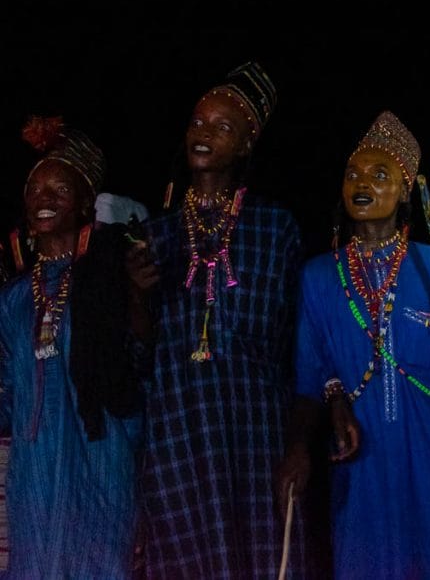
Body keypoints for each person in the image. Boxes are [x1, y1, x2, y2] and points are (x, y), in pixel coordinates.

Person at [276, 111, 430, 578]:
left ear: (406, 191)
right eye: (353, 174)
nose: (362, 183)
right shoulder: (321, 275)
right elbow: (311, 372)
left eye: (380, 175)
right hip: (359, 458)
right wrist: (328, 407)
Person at [137, 62, 308, 577]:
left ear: (246, 146)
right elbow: (139, 356)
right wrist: (138, 296)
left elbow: (298, 350)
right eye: (198, 122)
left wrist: (298, 447)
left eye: (223, 127)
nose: (204, 134)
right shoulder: (155, 236)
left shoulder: (275, 229)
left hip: (256, 438)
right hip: (176, 440)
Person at [0, 116, 149, 577]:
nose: (44, 199)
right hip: (34, 467)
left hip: (102, 456)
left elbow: (139, 365)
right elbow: (7, 387)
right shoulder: (14, 297)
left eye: (59, 189)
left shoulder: (106, 278)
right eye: (35, 190)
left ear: (85, 201)